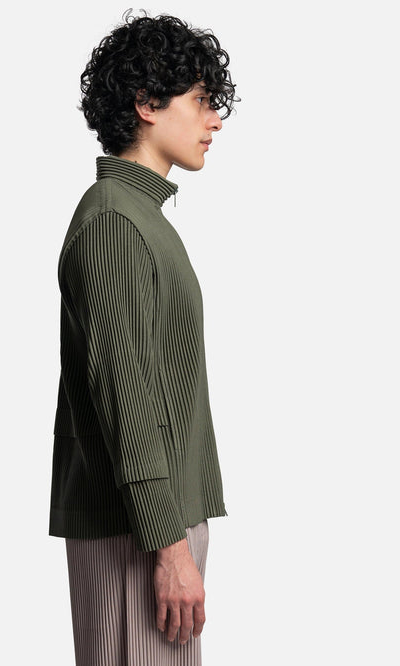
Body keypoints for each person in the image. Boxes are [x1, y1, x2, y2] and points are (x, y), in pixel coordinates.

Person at [48, 9, 239, 665]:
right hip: (139, 533)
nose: (216, 119)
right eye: (201, 99)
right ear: (146, 104)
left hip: (156, 525)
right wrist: (168, 545)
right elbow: (124, 396)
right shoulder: (113, 223)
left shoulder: (139, 217)